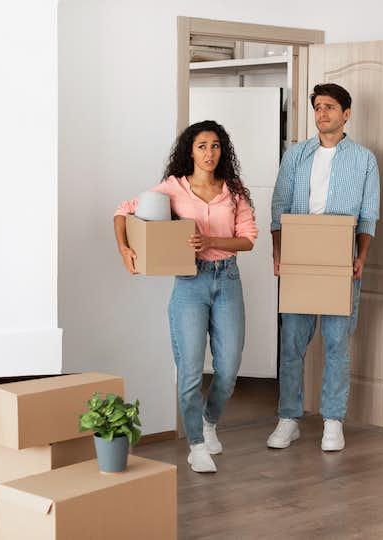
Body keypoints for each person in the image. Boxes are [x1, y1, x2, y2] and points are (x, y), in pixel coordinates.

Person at [113, 120, 258, 472]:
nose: (209, 153)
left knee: (228, 368)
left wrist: (210, 242)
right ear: (189, 152)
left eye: (215, 146)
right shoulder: (173, 188)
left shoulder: (234, 190)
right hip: (190, 284)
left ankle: (209, 422)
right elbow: (124, 210)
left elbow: (248, 239)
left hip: (227, 280)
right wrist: (125, 250)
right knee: (191, 370)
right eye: (202, 146)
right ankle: (196, 444)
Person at [268, 83, 380, 452]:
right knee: (292, 343)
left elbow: (368, 216)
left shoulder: (363, 159)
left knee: (337, 343)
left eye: (330, 107)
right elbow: (278, 206)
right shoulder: (296, 155)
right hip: (299, 254)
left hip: (339, 255)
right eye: (317, 107)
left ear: (346, 113)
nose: (322, 113)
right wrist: (278, 253)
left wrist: (361, 257)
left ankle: (333, 421)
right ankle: (288, 418)